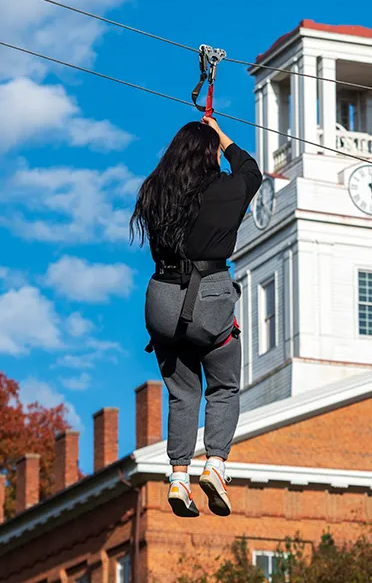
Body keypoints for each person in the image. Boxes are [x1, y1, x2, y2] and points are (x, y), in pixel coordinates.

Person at [130, 117, 261, 518]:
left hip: (162, 300)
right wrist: (221, 136)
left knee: (182, 393)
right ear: (209, 153)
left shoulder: (154, 192)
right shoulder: (224, 189)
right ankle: (216, 466)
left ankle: (177, 476)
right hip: (209, 297)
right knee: (223, 386)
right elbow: (251, 172)